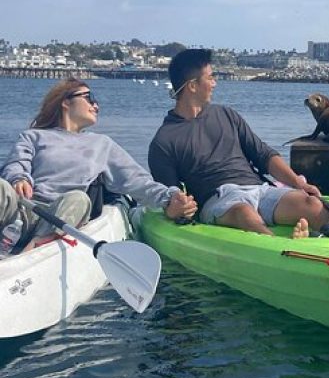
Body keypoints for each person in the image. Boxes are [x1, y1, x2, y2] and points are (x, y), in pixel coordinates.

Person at [148, 49, 329, 239]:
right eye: (210, 77)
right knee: (245, 215)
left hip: (259, 189)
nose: (215, 82)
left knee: (310, 203)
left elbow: (263, 155)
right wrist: (176, 208)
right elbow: (167, 197)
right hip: (219, 199)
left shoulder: (226, 114)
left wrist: (299, 183)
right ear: (192, 86)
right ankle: (282, 250)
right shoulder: (164, 141)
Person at [0, 78, 197, 253]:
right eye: (89, 97)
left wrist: (170, 198)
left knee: (78, 198)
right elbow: (17, 162)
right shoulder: (34, 136)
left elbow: (137, 181)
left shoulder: (102, 144)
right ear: (66, 102)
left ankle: (31, 251)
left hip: (62, 215)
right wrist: (19, 178)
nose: (96, 105)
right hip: (23, 209)